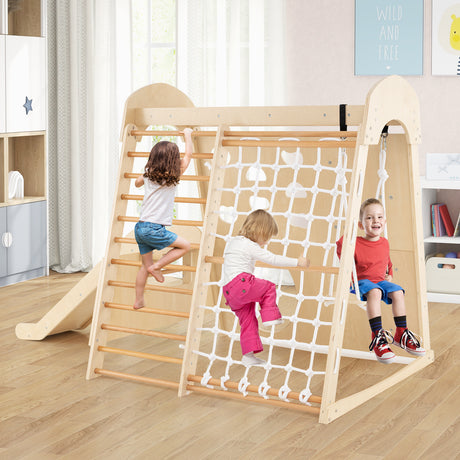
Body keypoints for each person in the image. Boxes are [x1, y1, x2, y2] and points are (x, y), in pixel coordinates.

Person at [336, 198, 426, 364]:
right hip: (361, 283)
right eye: (369, 218)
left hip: (379, 281)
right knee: (376, 292)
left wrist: (389, 273)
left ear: (384, 221)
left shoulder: (384, 242)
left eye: (379, 217)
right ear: (361, 225)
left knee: (398, 292)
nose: (375, 220)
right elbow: (342, 249)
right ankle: (378, 336)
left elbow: (387, 261)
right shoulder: (355, 243)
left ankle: (401, 333)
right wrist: (347, 233)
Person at [222, 209, 310, 366]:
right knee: (269, 287)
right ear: (260, 231)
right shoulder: (249, 245)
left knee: (248, 320)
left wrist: (232, 295)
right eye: (267, 237)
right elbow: (273, 259)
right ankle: (270, 318)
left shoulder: (233, 241)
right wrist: (297, 262)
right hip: (241, 283)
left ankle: (248, 357)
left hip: (229, 291)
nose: (267, 242)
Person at [133, 128, 194, 310]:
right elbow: (188, 155)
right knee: (186, 246)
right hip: (154, 228)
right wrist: (188, 135)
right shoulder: (175, 175)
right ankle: (157, 267)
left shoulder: (148, 175)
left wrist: (145, 174)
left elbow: (136, 183)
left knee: (145, 266)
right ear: (174, 161)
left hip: (140, 228)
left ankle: (138, 299)